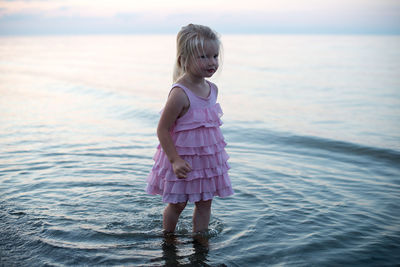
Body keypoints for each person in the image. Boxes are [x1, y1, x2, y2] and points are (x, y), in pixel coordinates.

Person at [146, 24, 234, 234]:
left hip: (205, 160)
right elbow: (162, 129)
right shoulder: (179, 93)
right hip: (181, 160)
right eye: (203, 57)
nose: (212, 62)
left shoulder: (212, 89)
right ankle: (168, 239)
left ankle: (200, 242)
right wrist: (174, 160)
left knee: (205, 203)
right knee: (178, 204)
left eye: (215, 56)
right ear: (184, 58)